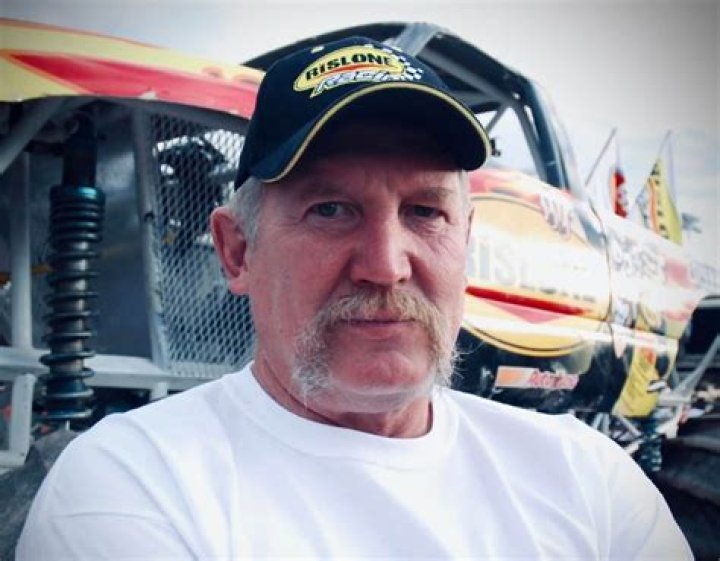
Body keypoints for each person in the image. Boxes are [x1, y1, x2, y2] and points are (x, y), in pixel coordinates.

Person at [17, 36, 691, 560]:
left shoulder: (588, 480)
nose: (386, 266)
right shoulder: (130, 484)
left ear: (465, 241)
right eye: (331, 209)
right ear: (238, 251)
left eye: (425, 212)